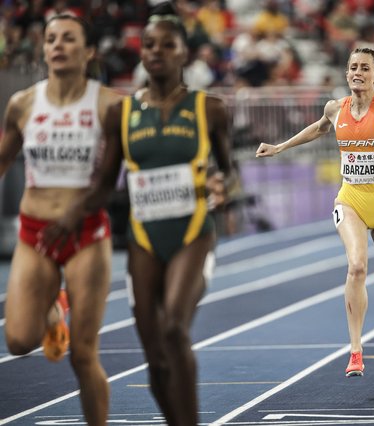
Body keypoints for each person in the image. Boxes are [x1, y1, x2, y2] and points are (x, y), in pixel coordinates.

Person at [43, 3, 235, 424]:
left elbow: (231, 173)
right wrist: (68, 219)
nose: (157, 52)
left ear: (185, 52)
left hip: (193, 232)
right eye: (149, 45)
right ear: (141, 53)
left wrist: (224, 188)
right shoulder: (122, 113)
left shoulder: (210, 109)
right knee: (155, 364)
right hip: (144, 238)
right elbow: (102, 185)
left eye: (168, 45)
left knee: (174, 331)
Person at [256, 47, 374, 377]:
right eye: (353, 67)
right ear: (347, 73)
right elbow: (319, 128)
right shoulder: (336, 108)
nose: (357, 72)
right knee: (355, 266)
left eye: (365, 68)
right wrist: (280, 147)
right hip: (350, 199)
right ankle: (355, 350)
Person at [0, 14, 122, 425]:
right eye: (51, 39)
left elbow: (119, 173)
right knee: (17, 340)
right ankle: (53, 309)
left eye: (68, 39)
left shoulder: (107, 104)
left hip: (86, 233)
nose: (57, 46)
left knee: (84, 354)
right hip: (35, 232)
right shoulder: (23, 103)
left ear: (88, 51)